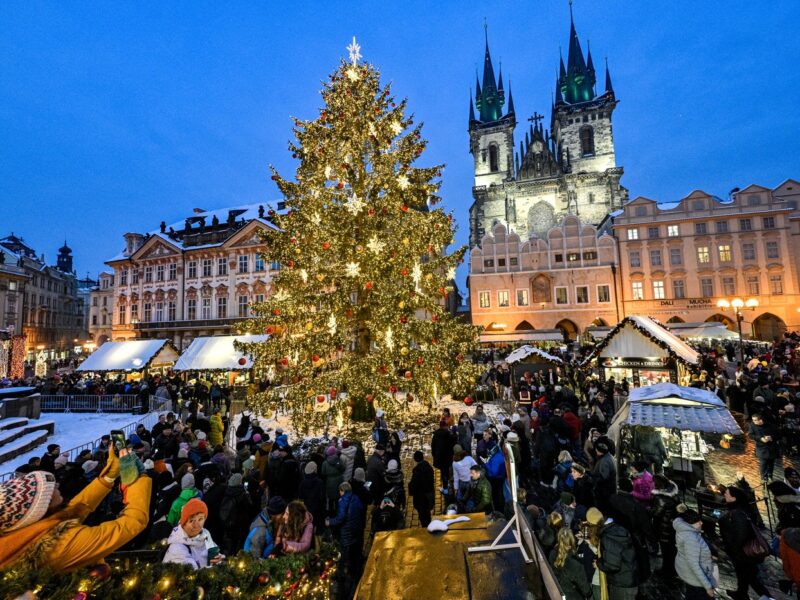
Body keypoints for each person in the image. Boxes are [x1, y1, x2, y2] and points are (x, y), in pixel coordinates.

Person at [0, 447, 151, 572]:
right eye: (49, 490)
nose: (57, 485)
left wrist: (108, 477)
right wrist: (136, 479)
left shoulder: (29, 531)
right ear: (39, 509)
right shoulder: (59, 546)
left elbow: (76, 508)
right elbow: (132, 522)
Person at [719, 486, 770, 599]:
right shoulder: (742, 508)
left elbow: (741, 535)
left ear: (734, 498)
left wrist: (734, 550)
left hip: (743, 554)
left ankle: (767, 597)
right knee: (742, 575)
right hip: (742, 553)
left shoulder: (738, 513)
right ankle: (741, 594)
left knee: (751, 579)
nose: (724, 495)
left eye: (727, 494)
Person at [326, 482, 366, 600]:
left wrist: (330, 522)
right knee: (354, 555)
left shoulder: (343, 501)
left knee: (344, 556)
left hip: (346, 533)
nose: (339, 494)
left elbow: (341, 517)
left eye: (340, 491)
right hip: (355, 532)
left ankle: (343, 578)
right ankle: (355, 572)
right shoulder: (356, 498)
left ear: (343, 490)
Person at [163, 498, 225, 569]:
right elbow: (193, 576)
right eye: (191, 520)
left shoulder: (205, 535)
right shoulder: (177, 548)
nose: (196, 525)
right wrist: (216, 569)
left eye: (200, 519)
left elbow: (216, 557)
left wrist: (219, 560)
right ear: (184, 523)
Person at [674, 509, 717, 599]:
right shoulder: (691, 538)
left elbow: (689, 553)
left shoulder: (683, 530)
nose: (701, 523)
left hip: (689, 574)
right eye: (698, 522)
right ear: (690, 524)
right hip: (696, 580)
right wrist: (708, 586)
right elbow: (694, 564)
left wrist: (707, 556)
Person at [596, 514, 640, 600]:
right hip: (630, 579)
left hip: (621, 583)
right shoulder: (620, 529)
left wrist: (598, 563)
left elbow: (612, 566)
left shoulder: (607, 537)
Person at [549, 528, 592, 600]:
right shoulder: (575, 565)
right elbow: (586, 590)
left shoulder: (552, 554)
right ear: (572, 542)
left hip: (558, 593)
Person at [650, 475, 680, 579]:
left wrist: (647, 509)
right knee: (672, 550)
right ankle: (672, 570)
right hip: (673, 526)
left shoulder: (661, 498)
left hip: (664, 528)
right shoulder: (674, 492)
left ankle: (667, 572)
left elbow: (656, 513)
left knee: (666, 550)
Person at [749, 413, 781, 482]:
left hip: (772, 447)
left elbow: (779, 435)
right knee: (763, 463)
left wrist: (771, 437)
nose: (753, 422)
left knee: (771, 463)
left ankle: (770, 476)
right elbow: (751, 435)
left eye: (755, 420)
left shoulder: (770, 425)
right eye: (753, 420)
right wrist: (760, 438)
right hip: (761, 448)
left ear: (760, 420)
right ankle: (763, 478)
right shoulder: (752, 425)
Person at [408, 450, 435, 527]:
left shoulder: (417, 471)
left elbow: (414, 484)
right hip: (429, 494)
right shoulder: (429, 467)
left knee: (423, 516)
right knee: (427, 514)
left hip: (421, 497)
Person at [298, 461, 326, 533]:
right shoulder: (320, 482)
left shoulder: (302, 483)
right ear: (314, 470)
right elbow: (322, 497)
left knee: (308, 527)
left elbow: (300, 496)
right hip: (318, 508)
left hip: (307, 508)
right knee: (318, 529)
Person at [431, 419, 456, 492]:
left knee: (443, 471)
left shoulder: (436, 435)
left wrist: (434, 455)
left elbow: (433, 446)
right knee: (447, 470)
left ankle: (445, 487)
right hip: (448, 456)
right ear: (446, 426)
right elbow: (453, 443)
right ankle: (447, 485)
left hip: (439, 457)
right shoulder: (449, 434)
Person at [321, 446, 346, 515]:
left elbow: (323, 472)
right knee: (338, 498)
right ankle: (338, 513)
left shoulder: (325, 462)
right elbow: (343, 469)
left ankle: (331, 514)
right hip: (339, 481)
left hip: (330, 482)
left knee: (331, 499)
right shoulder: (339, 460)